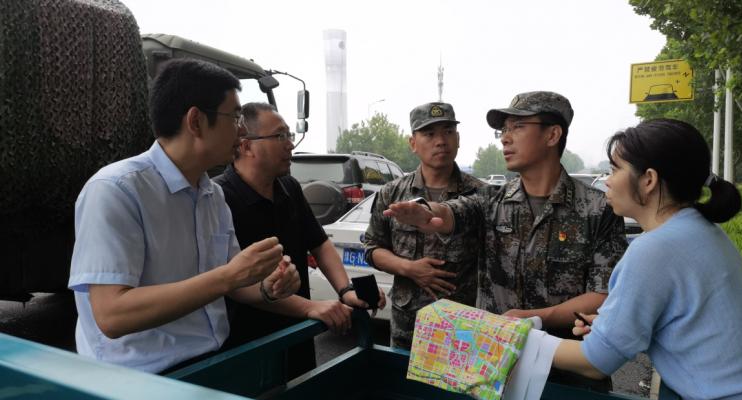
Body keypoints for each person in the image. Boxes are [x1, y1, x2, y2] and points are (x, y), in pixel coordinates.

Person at [69, 59, 340, 374]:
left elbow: (236, 284)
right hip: (140, 382)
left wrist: (268, 286)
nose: (242, 132)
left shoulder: (212, 195)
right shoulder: (117, 190)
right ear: (196, 122)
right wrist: (229, 276)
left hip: (212, 365)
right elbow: (112, 315)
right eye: (235, 116)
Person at [550, 119, 742, 400]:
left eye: (615, 170)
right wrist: (613, 323)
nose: (607, 182)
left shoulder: (654, 248)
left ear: (649, 180)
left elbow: (597, 362)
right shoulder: (699, 230)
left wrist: (518, 340)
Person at [382, 92, 626, 341]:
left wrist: (536, 317)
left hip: (568, 361)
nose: (505, 139)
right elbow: (453, 212)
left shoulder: (598, 209)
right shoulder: (490, 201)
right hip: (496, 362)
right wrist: (429, 212)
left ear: (552, 135)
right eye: (503, 130)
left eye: (517, 127)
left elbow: (604, 294)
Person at [214, 102, 385, 378]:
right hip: (249, 346)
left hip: (298, 335)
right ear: (245, 145)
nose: (290, 145)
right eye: (280, 136)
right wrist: (312, 307)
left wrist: (346, 291)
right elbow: (233, 283)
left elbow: (319, 243)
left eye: (290, 135)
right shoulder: (220, 198)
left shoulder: (290, 188)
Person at [364, 102, 485, 350]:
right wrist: (408, 268)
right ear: (413, 144)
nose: (441, 141)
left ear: (458, 138)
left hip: (464, 328)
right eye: (430, 134)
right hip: (409, 328)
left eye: (448, 132)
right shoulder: (392, 193)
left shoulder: (481, 193)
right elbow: (372, 248)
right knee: (403, 388)